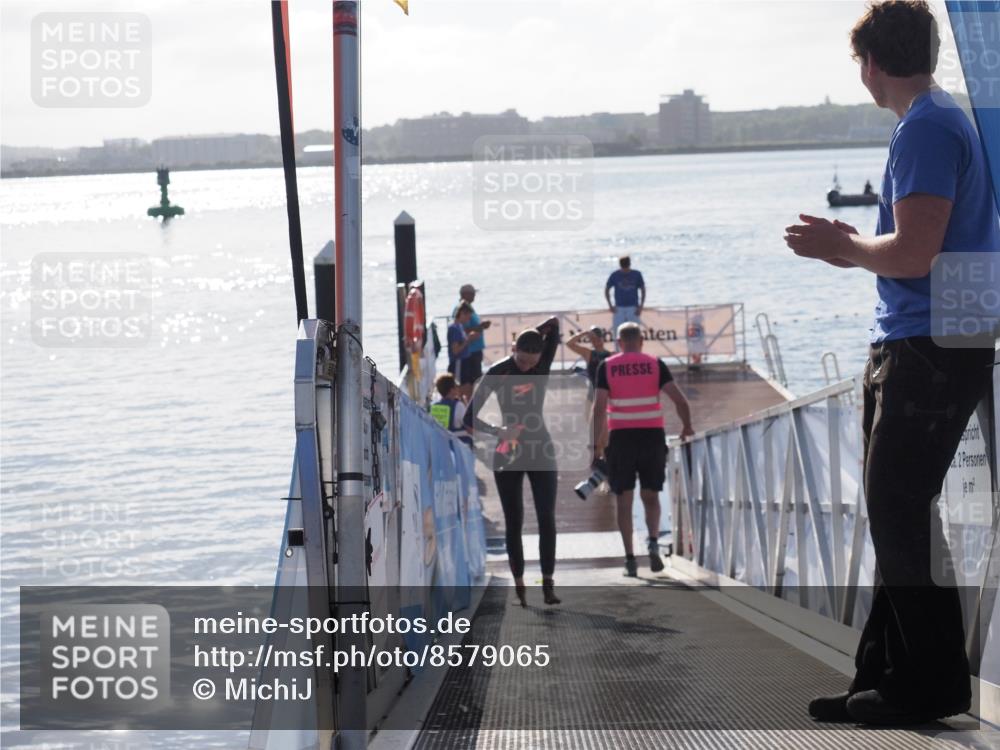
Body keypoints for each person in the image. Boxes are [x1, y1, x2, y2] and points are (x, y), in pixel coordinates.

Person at [784, 0, 999, 726]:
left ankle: (933, 685)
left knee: (898, 508)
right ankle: (884, 674)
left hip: (932, 342)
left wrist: (839, 248)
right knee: (894, 512)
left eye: (860, 65)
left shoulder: (927, 128)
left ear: (872, 63)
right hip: (926, 336)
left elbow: (915, 251)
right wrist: (854, 241)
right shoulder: (935, 120)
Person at [464, 316, 562, 607]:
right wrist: (497, 431)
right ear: (513, 349)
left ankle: (547, 584)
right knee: (514, 520)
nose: (527, 367)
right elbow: (468, 417)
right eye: (522, 361)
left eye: (532, 363)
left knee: (546, 516)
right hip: (508, 448)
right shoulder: (498, 371)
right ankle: (519, 584)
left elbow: (555, 324)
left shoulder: (542, 362)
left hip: (540, 447)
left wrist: (536, 332)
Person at [592, 322, 694, 577]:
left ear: (618, 342)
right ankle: (652, 542)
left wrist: (596, 445)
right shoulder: (654, 363)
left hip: (621, 439)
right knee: (651, 495)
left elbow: (599, 407)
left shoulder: (608, 366)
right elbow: (679, 399)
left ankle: (629, 559)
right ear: (641, 341)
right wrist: (687, 427)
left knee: (624, 500)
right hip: (651, 437)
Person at [453, 284, 491, 388]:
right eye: (472, 293)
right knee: (471, 381)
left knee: (476, 379)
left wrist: (480, 327)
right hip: (470, 351)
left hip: (475, 350)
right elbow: (462, 329)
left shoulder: (469, 308)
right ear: (465, 294)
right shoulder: (460, 309)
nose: (474, 296)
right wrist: (480, 327)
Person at [447, 302, 480, 402]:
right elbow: (455, 350)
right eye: (468, 316)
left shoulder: (460, 326)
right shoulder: (454, 328)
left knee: (470, 388)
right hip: (459, 363)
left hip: (465, 362)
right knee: (460, 390)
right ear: (462, 313)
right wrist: (468, 339)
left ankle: (468, 411)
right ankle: (462, 410)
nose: (468, 320)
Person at [605, 256, 646, 335]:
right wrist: (610, 305)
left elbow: (643, 290)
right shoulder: (615, 275)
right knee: (617, 332)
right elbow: (607, 289)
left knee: (635, 332)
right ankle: (617, 347)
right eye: (623, 267)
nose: (625, 269)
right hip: (619, 307)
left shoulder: (636, 274)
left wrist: (641, 306)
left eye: (626, 266)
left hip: (633, 307)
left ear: (629, 264)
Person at [430, 373, 473, 448]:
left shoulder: (433, 407)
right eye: (456, 387)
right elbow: (469, 428)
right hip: (459, 446)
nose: (458, 389)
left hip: (440, 446)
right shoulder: (458, 405)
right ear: (451, 390)